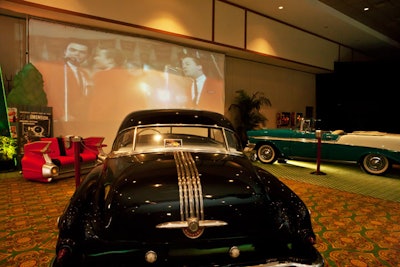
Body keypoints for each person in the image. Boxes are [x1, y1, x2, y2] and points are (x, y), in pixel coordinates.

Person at [33, 39, 91, 122]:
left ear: (87, 56)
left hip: (79, 120)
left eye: (82, 52)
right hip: (61, 120)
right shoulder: (57, 69)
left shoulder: (84, 73)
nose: (77, 54)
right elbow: (52, 94)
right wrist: (61, 115)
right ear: (65, 52)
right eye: (73, 50)